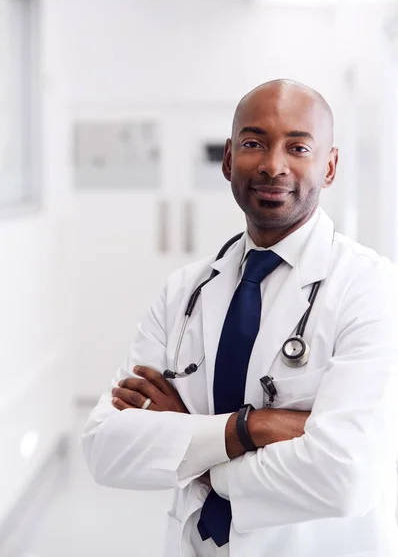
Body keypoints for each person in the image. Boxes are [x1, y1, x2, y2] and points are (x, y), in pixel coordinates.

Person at [81, 79, 398, 557]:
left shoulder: (370, 287)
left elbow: (345, 475)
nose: (273, 165)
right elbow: (105, 448)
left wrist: (194, 447)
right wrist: (253, 429)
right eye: (254, 143)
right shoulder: (183, 292)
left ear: (329, 167)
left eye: (298, 147)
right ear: (229, 159)